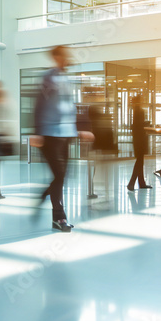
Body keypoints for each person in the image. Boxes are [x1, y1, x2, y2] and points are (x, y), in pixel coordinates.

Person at [33, 45, 94, 232]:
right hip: (50, 133)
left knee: (62, 176)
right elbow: (39, 103)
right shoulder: (48, 77)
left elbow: (71, 105)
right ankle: (59, 217)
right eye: (62, 56)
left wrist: (82, 128)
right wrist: (37, 131)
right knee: (59, 176)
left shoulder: (66, 78)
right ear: (56, 57)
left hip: (67, 133)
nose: (65, 59)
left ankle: (46, 197)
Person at [88, 103, 118, 207]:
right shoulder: (101, 119)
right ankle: (106, 195)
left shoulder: (97, 121)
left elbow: (100, 136)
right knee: (105, 173)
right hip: (106, 150)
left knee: (102, 173)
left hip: (103, 150)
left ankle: (105, 195)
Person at [127, 97, 153, 191]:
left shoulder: (134, 111)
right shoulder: (140, 111)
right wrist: (147, 124)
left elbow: (135, 126)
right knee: (139, 162)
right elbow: (140, 125)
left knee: (140, 161)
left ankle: (141, 183)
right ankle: (131, 183)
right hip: (140, 140)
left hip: (137, 140)